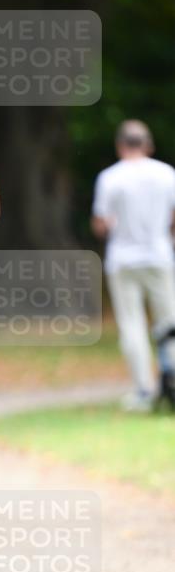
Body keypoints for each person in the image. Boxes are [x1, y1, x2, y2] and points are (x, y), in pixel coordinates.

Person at [92, 120, 175, 412]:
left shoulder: (110, 178)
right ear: (149, 145)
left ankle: (143, 390)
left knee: (132, 326)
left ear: (120, 146)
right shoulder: (167, 174)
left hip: (123, 260)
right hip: (159, 256)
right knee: (169, 323)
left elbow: (101, 224)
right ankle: (172, 381)